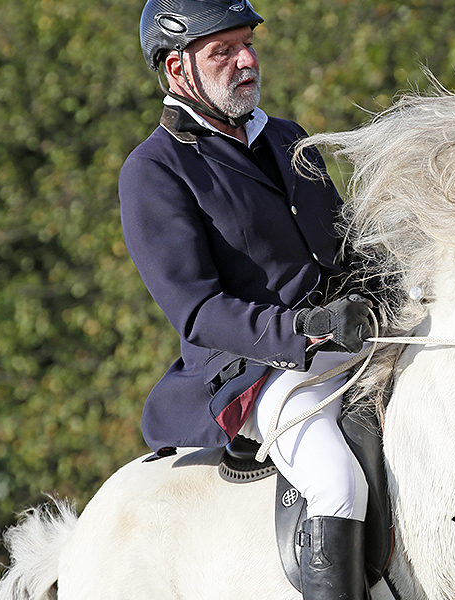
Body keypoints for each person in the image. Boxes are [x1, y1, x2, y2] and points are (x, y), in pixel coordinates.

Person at [120, 1, 373, 597]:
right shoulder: (153, 170)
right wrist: (303, 330)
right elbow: (198, 311)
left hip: (346, 335)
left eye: (247, 45)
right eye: (223, 52)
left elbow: (342, 246)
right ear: (178, 70)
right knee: (337, 478)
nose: (247, 61)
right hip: (256, 367)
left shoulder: (287, 137)